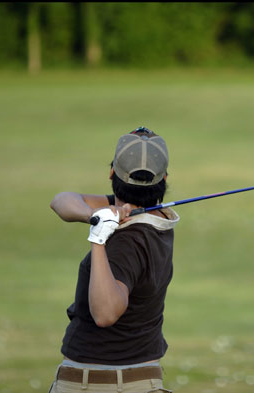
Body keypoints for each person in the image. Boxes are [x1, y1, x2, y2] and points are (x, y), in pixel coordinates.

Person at [48, 127, 179, 393]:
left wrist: (99, 237)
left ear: (111, 173)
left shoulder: (126, 240)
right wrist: (93, 215)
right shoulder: (161, 218)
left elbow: (106, 313)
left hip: (97, 384)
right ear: (163, 178)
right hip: (145, 381)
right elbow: (61, 201)